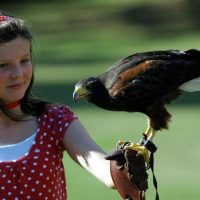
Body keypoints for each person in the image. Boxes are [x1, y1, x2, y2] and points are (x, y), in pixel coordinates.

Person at [0, 11, 147, 200]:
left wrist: (123, 169)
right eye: (3, 65)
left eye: (24, 60)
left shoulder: (53, 119)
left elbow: (101, 167)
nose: (18, 73)